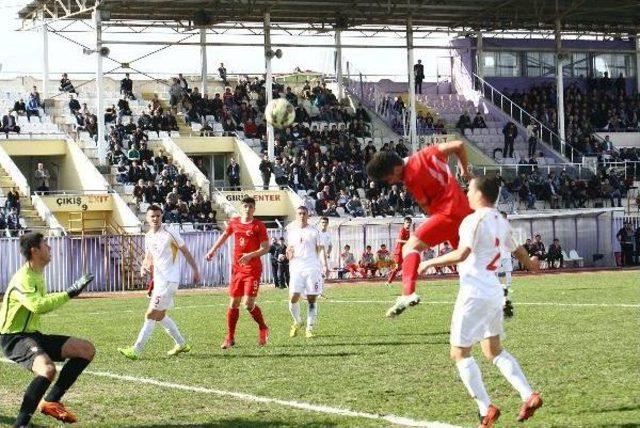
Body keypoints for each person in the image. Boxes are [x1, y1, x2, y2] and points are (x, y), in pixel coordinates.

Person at [417, 175, 543, 427]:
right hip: (494, 292)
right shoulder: (500, 220)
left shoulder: (472, 220)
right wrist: (531, 264)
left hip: (474, 292)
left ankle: (485, 408)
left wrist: (429, 261)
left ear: (478, 194)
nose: (466, 194)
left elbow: (462, 254)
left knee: (459, 353)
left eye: (469, 190)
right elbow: (516, 249)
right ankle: (528, 395)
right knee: (493, 350)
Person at [366, 140, 473, 318]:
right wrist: (464, 169)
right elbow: (459, 145)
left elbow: (426, 207)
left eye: (388, 179)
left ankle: (408, 293)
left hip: (448, 214)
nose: (391, 183)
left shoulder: (410, 179)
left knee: (410, 246)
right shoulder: (427, 153)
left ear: (396, 169)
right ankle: (496, 293)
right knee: (467, 260)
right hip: (464, 210)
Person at [0, 232, 95, 426]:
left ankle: (51, 401)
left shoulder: (37, 273)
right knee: (47, 369)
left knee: (85, 349)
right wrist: (70, 293)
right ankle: (20, 424)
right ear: (34, 250)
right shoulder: (23, 278)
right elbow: (38, 306)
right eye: (45, 244)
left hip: (33, 335)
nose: (50, 248)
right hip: (14, 337)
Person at [118, 205, 200, 360]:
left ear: (162, 216)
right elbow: (149, 255)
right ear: (147, 218)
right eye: (152, 216)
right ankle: (181, 344)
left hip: (169, 281)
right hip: (160, 282)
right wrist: (143, 266)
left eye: (158, 215)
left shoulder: (170, 233)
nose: (155, 218)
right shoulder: (148, 235)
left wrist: (195, 270)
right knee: (161, 315)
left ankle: (136, 350)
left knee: (150, 315)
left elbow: (185, 251)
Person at [205, 197, 270, 349]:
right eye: (245, 206)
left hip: (252, 270)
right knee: (233, 303)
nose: (247, 209)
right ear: (241, 208)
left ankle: (263, 327)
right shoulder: (234, 222)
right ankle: (230, 337)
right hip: (237, 269)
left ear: (254, 209)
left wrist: (250, 255)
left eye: (250, 207)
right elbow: (224, 236)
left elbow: (266, 248)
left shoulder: (258, 226)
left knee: (247, 304)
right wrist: (212, 250)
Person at [286, 206, 328, 338]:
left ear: (308, 215)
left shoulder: (315, 231)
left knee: (311, 298)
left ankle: (309, 329)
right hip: (296, 268)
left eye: (304, 213)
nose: (302, 215)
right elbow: (289, 250)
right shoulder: (291, 232)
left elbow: (321, 250)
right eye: (299, 213)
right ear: (296, 215)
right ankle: (297, 321)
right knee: (293, 296)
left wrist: (325, 265)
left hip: (312, 268)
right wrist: (288, 254)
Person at [385, 217, 412, 286]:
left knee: (403, 267)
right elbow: (398, 240)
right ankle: (388, 281)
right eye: (407, 222)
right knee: (398, 267)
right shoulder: (402, 230)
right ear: (404, 223)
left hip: (404, 252)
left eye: (409, 223)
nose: (408, 224)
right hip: (399, 252)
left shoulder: (408, 231)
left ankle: (390, 276)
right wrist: (408, 241)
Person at [497, 212, 514, 317]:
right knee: (505, 270)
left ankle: (503, 285)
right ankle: (506, 285)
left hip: (502, 252)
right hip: (502, 252)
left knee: (502, 270)